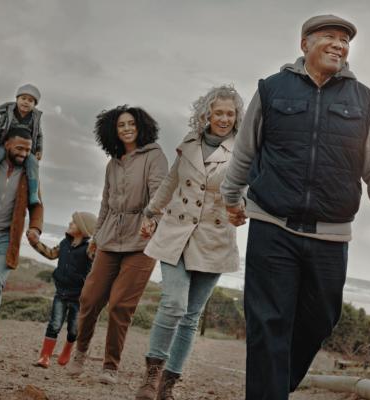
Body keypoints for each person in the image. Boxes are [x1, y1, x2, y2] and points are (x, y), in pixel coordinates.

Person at [221, 14, 370, 400]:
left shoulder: (364, 99)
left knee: (320, 319)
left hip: (331, 232)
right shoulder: (272, 89)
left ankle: (274, 385)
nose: (339, 45)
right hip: (272, 223)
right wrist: (231, 198)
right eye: (330, 37)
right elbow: (245, 149)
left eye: (345, 40)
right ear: (305, 43)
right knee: (267, 323)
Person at [135, 85, 243, 400]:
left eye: (230, 113)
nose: (223, 118)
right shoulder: (188, 143)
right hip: (175, 233)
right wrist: (151, 211)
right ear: (206, 114)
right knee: (174, 304)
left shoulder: (242, 150)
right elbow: (171, 181)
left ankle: (167, 386)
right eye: (218, 112)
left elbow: (247, 188)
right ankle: (150, 376)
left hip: (214, 239)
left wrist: (241, 210)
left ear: (237, 117)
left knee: (191, 315)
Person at [67, 105, 168, 384]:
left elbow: (160, 192)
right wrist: (96, 237)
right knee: (89, 298)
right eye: (121, 125)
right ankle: (81, 351)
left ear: (141, 126)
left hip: (143, 240)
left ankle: (110, 365)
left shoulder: (154, 156)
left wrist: (152, 219)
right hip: (110, 237)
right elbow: (105, 204)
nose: (126, 128)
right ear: (113, 130)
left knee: (120, 305)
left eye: (130, 123)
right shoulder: (113, 163)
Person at [0, 127, 44, 354]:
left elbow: (36, 205)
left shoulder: (29, 174)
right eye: (20, 148)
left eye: (28, 149)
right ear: (6, 145)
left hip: (6, 239)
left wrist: (35, 228)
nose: (24, 153)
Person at [27, 211, 97, 368]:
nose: (69, 224)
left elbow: (97, 259)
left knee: (73, 330)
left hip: (78, 297)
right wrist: (34, 243)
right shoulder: (64, 243)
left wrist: (97, 243)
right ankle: (45, 356)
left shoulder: (88, 249)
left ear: (83, 228)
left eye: (73, 223)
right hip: (61, 293)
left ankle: (67, 350)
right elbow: (51, 254)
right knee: (54, 324)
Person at [0, 84, 43, 205]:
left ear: (34, 105)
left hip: (25, 149)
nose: (26, 102)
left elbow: (39, 135)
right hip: (7, 145)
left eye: (30, 100)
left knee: (33, 163)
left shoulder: (35, 118)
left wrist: (39, 149)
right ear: (17, 99)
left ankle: (33, 193)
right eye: (23, 98)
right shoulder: (8, 113)